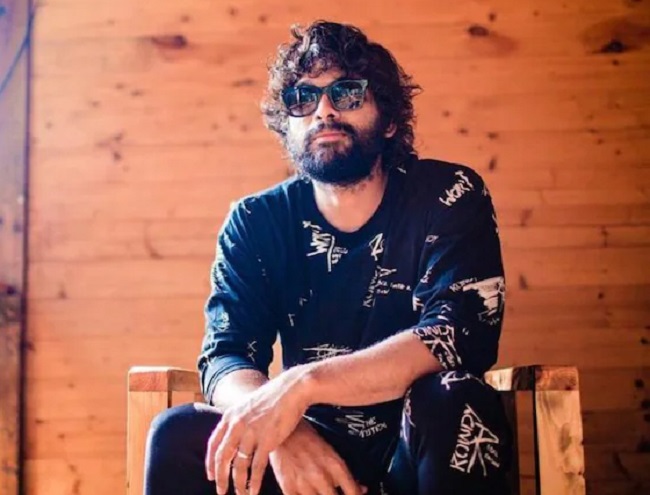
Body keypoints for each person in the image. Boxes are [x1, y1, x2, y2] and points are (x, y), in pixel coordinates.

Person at [144, 20, 511, 495]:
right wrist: (279, 429)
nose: (324, 110)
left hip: (421, 444)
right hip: (306, 459)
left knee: (456, 397)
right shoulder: (256, 221)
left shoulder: (447, 195)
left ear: (390, 119)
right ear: (288, 126)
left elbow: (459, 334)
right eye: (303, 98)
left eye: (347, 93)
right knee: (176, 435)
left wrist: (302, 385)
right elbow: (226, 355)